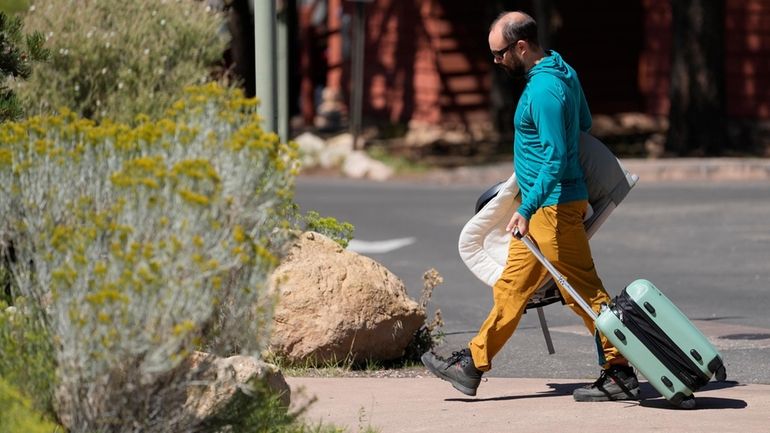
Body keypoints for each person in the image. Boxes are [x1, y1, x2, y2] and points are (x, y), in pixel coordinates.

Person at [421, 11, 640, 402]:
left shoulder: (542, 91)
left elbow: (556, 158)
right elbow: (584, 124)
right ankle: (471, 365)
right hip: (545, 209)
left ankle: (619, 371)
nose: (496, 61)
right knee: (511, 288)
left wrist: (527, 206)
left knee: (584, 295)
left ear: (521, 46)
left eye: (500, 53)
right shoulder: (564, 71)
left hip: (552, 210)